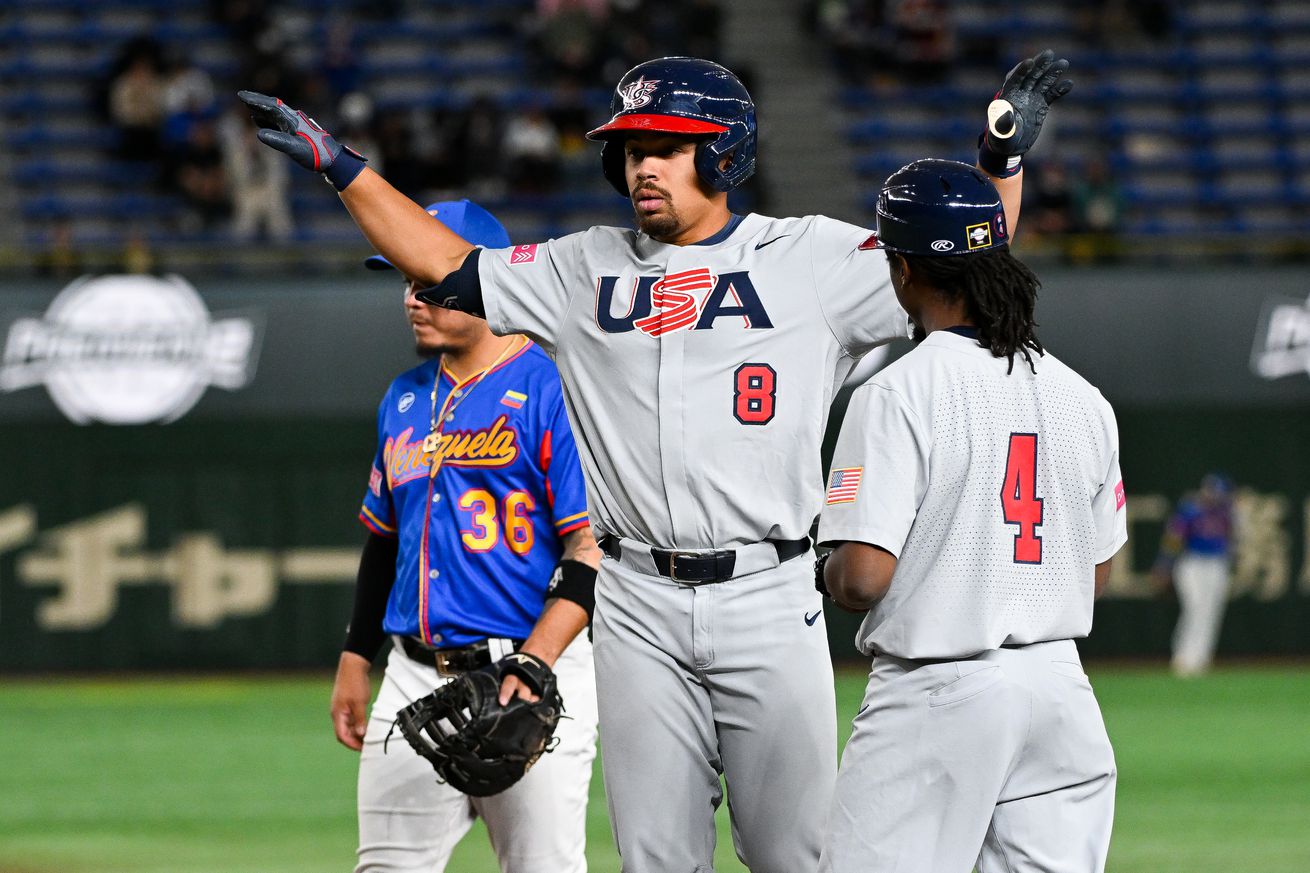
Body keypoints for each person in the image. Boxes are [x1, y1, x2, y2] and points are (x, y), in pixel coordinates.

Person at [242, 50, 1070, 872]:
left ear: (724, 154)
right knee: (656, 859)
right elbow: (441, 262)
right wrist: (341, 168)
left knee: (800, 853)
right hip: (635, 600)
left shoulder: (810, 257)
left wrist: (998, 160)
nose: (645, 164)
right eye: (633, 149)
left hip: (770, 591)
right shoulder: (580, 267)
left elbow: (959, 248)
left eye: (669, 146)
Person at [816, 159, 1125, 873]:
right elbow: (1097, 572)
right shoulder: (1085, 396)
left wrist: (820, 564)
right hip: (1060, 694)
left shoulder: (897, 392)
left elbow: (862, 577)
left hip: (939, 689)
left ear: (903, 272)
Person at [328, 199, 601, 873]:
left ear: (484, 282)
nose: (412, 299)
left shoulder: (553, 385)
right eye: (404, 283)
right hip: (413, 676)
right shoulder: (403, 396)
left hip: (531, 676)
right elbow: (385, 540)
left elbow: (588, 548)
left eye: (428, 282)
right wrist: (356, 654)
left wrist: (535, 664)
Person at [1153, 473, 1234, 677]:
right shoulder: (1190, 511)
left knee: (1211, 612)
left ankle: (1202, 658)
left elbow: (1231, 540)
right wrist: (1164, 565)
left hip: (1217, 564)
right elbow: (1173, 539)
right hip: (1192, 563)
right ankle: (1183, 657)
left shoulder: (1226, 513)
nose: (1213, 496)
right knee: (1195, 608)